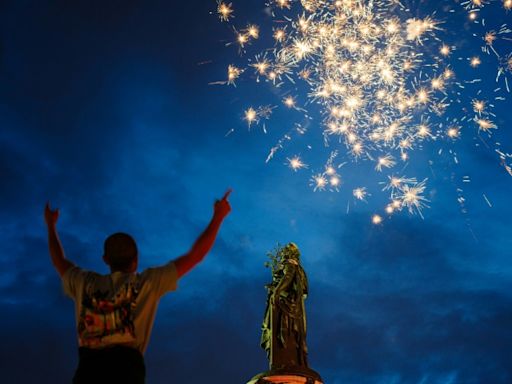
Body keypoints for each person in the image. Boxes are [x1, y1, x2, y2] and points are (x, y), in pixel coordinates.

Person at [44, 190, 232, 384]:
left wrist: (51, 226)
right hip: (126, 371)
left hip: (88, 371)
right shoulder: (147, 283)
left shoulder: (84, 282)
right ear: (135, 261)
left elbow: (59, 261)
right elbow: (195, 256)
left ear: (105, 259)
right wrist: (218, 217)